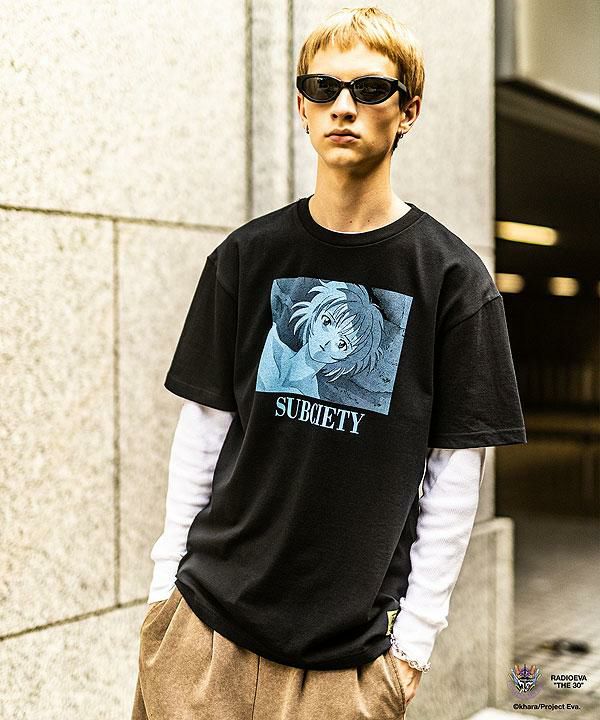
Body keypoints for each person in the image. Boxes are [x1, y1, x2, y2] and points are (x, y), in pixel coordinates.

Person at [131, 7, 527, 719]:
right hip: (203, 634)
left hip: (346, 666)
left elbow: (454, 477)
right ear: (302, 106)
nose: (343, 106)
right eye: (323, 87)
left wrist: (411, 651)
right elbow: (204, 431)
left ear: (408, 111)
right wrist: (166, 597)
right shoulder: (247, 257)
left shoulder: (453, 281)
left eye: (370, 90)